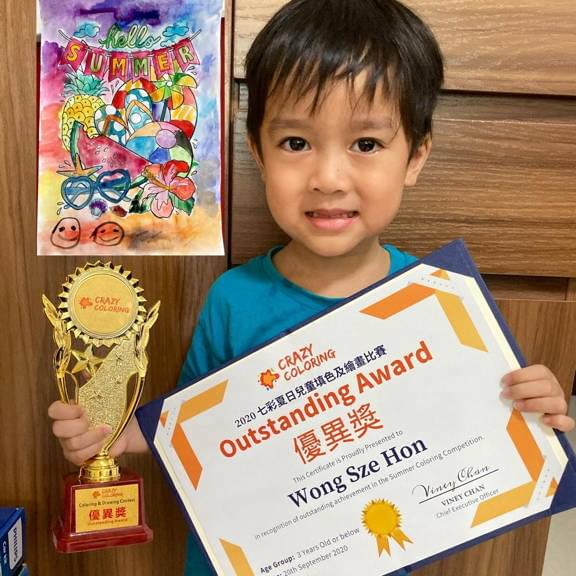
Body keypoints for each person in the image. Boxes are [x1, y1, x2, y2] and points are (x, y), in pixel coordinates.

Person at [49, 0, 575, 574]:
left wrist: (528, 406)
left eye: (366, 144)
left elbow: (473, 439)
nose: (328, 178)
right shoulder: (233, 299)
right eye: (296, 143)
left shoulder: (439, 305)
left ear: (415, 156)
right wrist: (122, 437)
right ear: (258, 152)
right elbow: (200, 437)